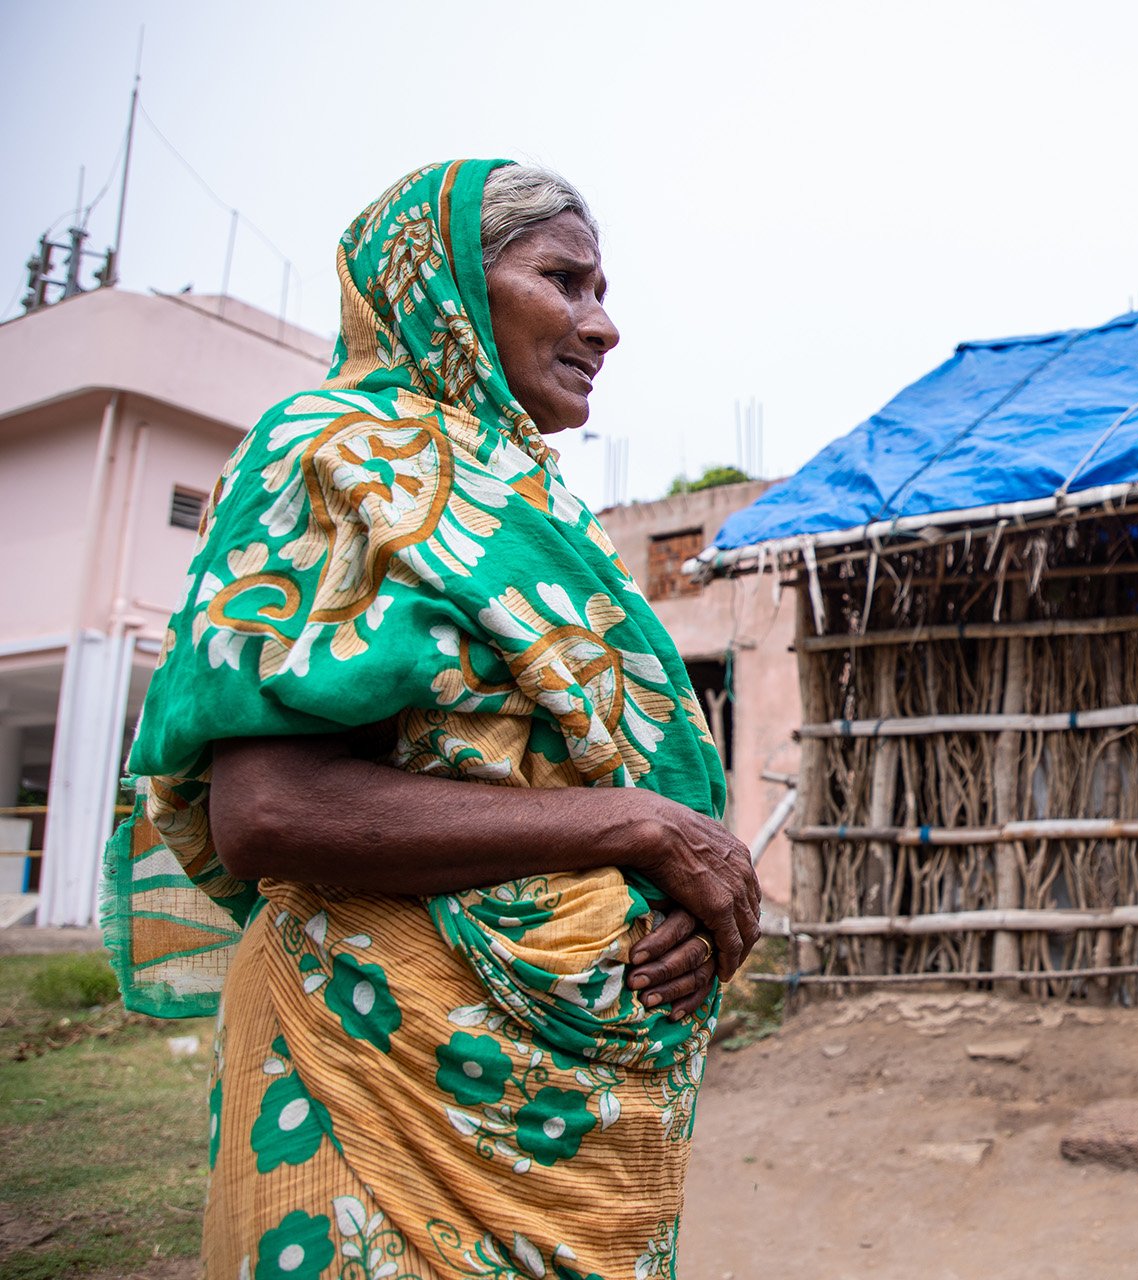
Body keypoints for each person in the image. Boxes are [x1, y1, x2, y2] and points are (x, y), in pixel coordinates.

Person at [100, 160, 759, 1280]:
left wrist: (681, 917)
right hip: (371, 1065)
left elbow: (573, 769)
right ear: (446, 286)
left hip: (564, 1110)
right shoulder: (330, 452)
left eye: (605, 289)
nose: (604, 326)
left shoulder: (534, 500)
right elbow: (267, 810)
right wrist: (637, 829)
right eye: (566, 280)